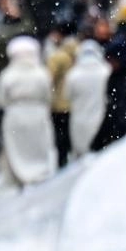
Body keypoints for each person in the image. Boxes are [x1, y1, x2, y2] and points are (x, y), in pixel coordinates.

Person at [0, 36, 57, 186]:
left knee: (17, 147)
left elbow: (1, 99)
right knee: (37, 145)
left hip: (15, 114)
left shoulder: (7, 75)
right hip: (38, 113)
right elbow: (48, 96)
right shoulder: (41, 73)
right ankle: (39, 172)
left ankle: (20, 174)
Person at [65, 40, 110, 158]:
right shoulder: (106, 71)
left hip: (79, 119)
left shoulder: (73, 74)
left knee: (81, 154)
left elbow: (67, 95)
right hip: (101, 118)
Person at [44, 27, 79, 167]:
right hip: (74, 103)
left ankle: (62, 163)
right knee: (70, 135)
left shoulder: (58, 57)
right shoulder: (79, 54)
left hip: (59, 104)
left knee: (60, 137)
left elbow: (48, 78)